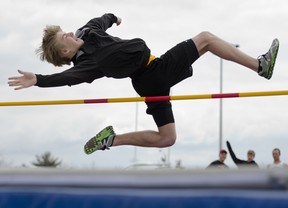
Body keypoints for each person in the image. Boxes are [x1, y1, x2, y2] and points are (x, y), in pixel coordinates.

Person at [8, 13, 280, 155]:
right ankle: (260, 66)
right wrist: (40, 80)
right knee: (206, 38)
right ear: (65, 53)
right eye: (62, 38)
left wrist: (112, 17)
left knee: (167, 138)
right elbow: (67, 79)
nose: (68, 32)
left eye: (63, 31)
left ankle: (110, 141)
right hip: (154, 72)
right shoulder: (88, 63)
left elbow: (100, 20)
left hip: (146, 80)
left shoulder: (86, 31)